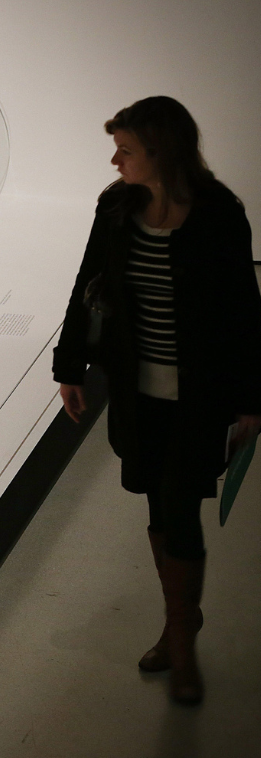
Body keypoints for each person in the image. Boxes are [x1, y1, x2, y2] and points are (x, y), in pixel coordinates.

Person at [52, 96, 261, 705]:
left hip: (200, 395)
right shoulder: (116, 208)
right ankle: (180, 620)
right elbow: (88, 283)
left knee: (180, 506)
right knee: (155, 500)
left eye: (126, 149)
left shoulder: (220, 214)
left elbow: (245, 310)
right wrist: (70, 366)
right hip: (137, 393)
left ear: (161, 153)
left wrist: (252, 396)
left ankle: (182, 642)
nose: (114, 159)